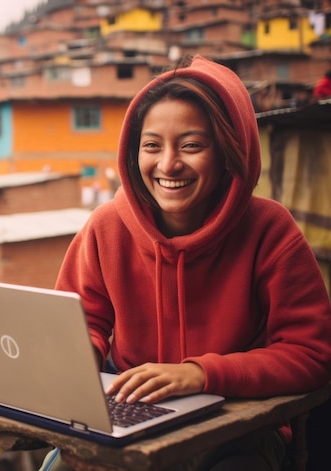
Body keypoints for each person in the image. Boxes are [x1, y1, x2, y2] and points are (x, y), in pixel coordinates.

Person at [40, 55, 331, 470]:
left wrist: (201, 375)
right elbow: (83, 319)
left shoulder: (269, 230)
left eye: (191, 145)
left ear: (230, 151)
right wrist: (77, 362)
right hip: (132, 413)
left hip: (237, 430)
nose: (168, 164)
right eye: (152, 145)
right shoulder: (107, 226)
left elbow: (311, 353)